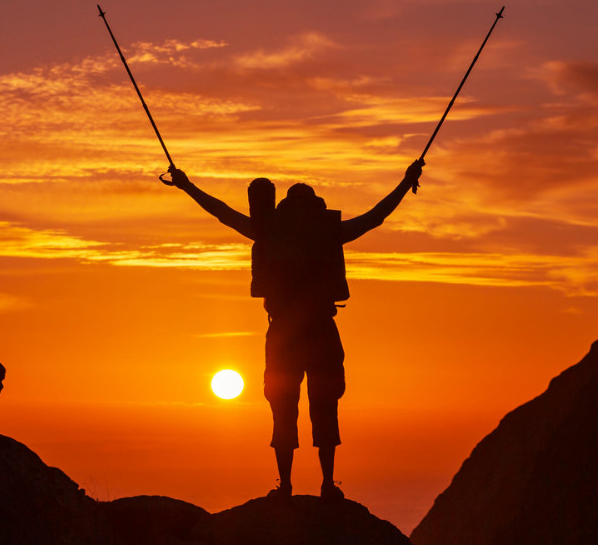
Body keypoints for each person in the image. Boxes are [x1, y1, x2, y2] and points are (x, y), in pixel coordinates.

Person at [164, 159, 425, 500]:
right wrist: (406, 183)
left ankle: (286, 486)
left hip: (284, 335)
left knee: (284, 408)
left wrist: (188, 186)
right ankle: (327, 484)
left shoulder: (270, 230)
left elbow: (222, 212)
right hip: (321, 332)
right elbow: (377, 215)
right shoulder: (329, 231)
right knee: (324, 407)